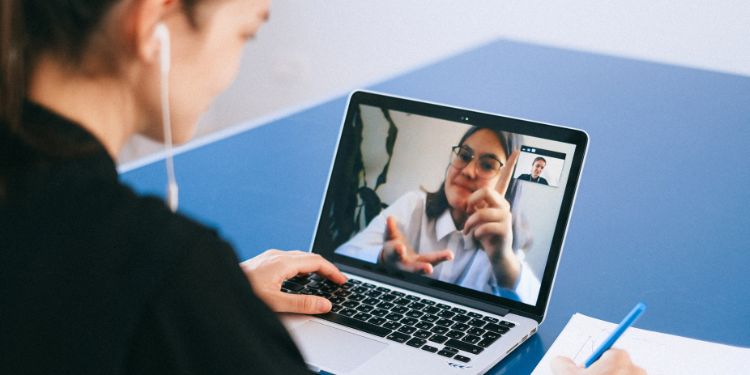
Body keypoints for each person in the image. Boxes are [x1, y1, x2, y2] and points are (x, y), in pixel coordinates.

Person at [0, 0, 643, 374]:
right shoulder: (167, 275)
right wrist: (204, 298)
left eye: (487, 163)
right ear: (154, 22)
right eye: (245, 31)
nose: (235, 65)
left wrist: (222, 298)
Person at [337, 126, 542, 303]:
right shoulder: (413, 205)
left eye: (487, 165)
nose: (468, 171)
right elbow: (343, 256)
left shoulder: (503, 243)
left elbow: (533, 309)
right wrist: (382, 258)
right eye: (464, 156)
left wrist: (502, 259)